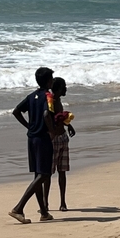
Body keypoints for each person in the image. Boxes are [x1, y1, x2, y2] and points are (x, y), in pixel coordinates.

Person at [9, 67, 55, 224]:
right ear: (48, 81)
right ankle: (19, 208)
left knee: (38, 175)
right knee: (44, 174)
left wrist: (29, 126)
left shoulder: (31, 96)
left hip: (31, 138)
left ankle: (44, 212)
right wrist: (52, 131)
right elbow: (46, 114)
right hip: (42, 138)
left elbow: (16, 111)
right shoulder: (48, 96)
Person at [44, 77, 76, 212]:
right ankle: (46, 203)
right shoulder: (51, 101)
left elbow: (59, 118)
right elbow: (50, 119)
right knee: (49, 173)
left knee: (61, 171)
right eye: (64, 87)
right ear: (59, 89)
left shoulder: (57, 100)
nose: (66, 89)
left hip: (62, 137)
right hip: (55, 139)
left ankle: (62, 202)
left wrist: (68, 125)